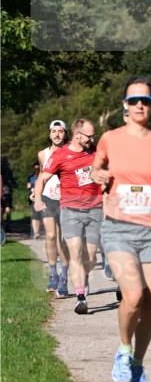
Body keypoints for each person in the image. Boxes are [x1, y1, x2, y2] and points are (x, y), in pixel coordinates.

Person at [92, 79, 151, 382]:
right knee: (134, 296)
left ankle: (138, 363)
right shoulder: (110, 138)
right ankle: (123, 350)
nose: (140, 105)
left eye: (146, 100)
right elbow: (97, 168)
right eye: (134, 99)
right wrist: (98, 174)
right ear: (124, 104)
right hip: (119, 227)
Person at [34, 118, 103, 314]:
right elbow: (42, 178)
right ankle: (80, 296)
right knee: (75, 253)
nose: (92, 139)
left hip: (95, 209)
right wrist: (38, 198)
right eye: (89, 136)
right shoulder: (60, 156)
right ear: (77, 135)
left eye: (93, 136)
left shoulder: (96, 151)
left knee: (89, 257)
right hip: (70, 210)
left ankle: (84, 275)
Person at [37, 120, 70, 296]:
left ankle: (64, 276)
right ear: (49, 134)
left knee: (62, 239)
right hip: (49, 197)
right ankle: (53, 274)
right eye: (54, 131)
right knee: (50, 235)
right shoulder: (43, 154)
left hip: (67, 198)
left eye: (61, 131)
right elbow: (42, 175)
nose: (57, 134)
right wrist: (36, 193)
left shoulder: (72, 151)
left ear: (65, 134)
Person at [26, 163, 44, 239]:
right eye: (35, 168)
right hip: (34, 198)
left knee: (43, 215)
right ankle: (36, 232)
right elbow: (28, 186)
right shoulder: (31, 177)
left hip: (44, 197)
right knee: (35, 214)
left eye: (38, 168)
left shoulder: (44, 175)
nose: (37, 170)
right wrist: (32, 189)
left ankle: (40, 230)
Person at [1, 157, 16, 233]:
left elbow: (12, 181)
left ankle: (5, 225)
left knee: (5, 210)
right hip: (6, 193)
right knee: (6, 209)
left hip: (6, 193)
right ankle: (6, 225)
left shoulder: (8, 171)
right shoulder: (8, 171)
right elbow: (13, 181)